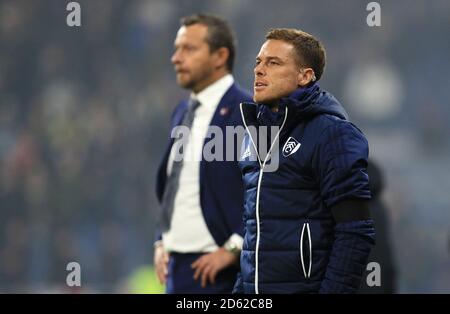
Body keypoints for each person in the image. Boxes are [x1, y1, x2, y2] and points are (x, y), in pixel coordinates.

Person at [233, 28, 375, 294]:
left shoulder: (332, 134)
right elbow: (254, 233)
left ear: (305, 76)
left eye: (273, 63)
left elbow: (356, 231)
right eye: (258, 62)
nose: (259, 70)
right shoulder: (252, 137)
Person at [154, 14, 252, 294]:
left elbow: (270, 192)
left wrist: (234, 247)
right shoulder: (181, 112)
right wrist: (161, 239)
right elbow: (175, 185)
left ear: (220, 56)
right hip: (175, 270)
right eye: (176, 48)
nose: (176, 58)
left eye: (189, 49)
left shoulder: (249, 111)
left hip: (221, 274)